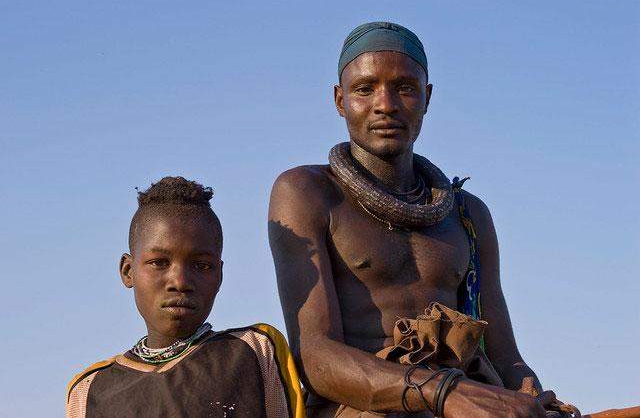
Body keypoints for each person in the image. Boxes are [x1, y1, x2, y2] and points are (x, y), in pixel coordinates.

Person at [268, 22, 576, 417]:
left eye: (405, 88)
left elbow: (505, 356)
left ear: (427, 98)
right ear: (339, 100)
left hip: (468, 399)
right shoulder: (307, 192)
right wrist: (446, 393)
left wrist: (529, 395)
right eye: (365, 89)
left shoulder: (467, 214)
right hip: (361, 407)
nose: (386, 104)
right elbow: (316, 357)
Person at [67, 176, 304, 418]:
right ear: (129, 271)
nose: (180, 282)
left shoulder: (253, 349)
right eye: (159, 263)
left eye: (201, 266)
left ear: (219, 276)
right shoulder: (90, 390)